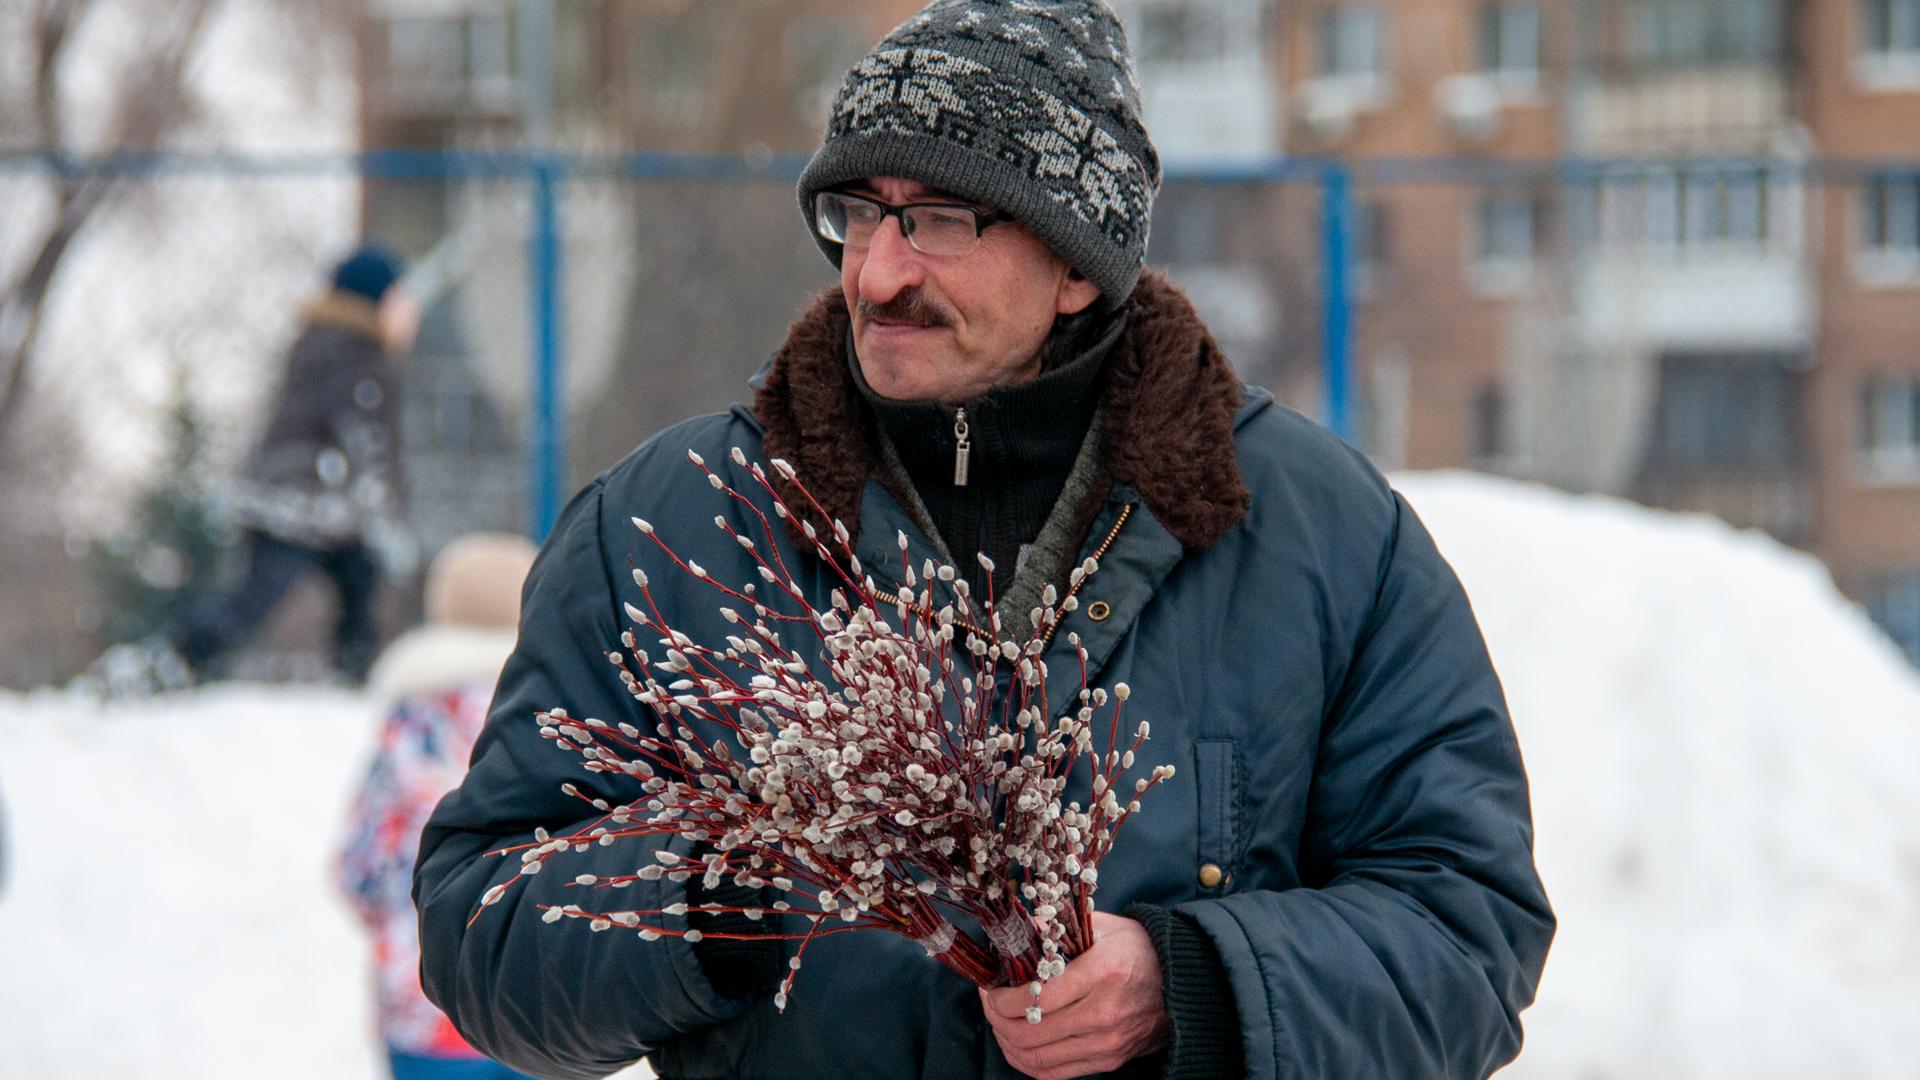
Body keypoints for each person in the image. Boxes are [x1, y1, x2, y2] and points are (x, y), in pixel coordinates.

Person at [414, 3, 1556, 1078]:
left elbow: (1467, 932)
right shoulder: (677, 526)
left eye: (941, 220)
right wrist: (720, 890)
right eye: (857, 213)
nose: (879, 271)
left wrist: (1187, 981)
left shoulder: (1317, 532)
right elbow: (480, 927)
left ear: (1075, 264)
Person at [91, 241, 419, 695]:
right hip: (302, 504)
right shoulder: (357, 354)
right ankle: (169, 664)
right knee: (261, 599)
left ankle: (352, 679)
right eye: (402, 299)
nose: (411, 312)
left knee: (352, 585)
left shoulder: (324, 340)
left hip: (305, 499)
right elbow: (366, 443)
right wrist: (387, 512)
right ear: (375, 301)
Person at [340, 532, 540, 1080]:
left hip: (427, 1010)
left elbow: (360, 871)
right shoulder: (562, 722)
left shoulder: (414, 724)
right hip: (545, 1010)